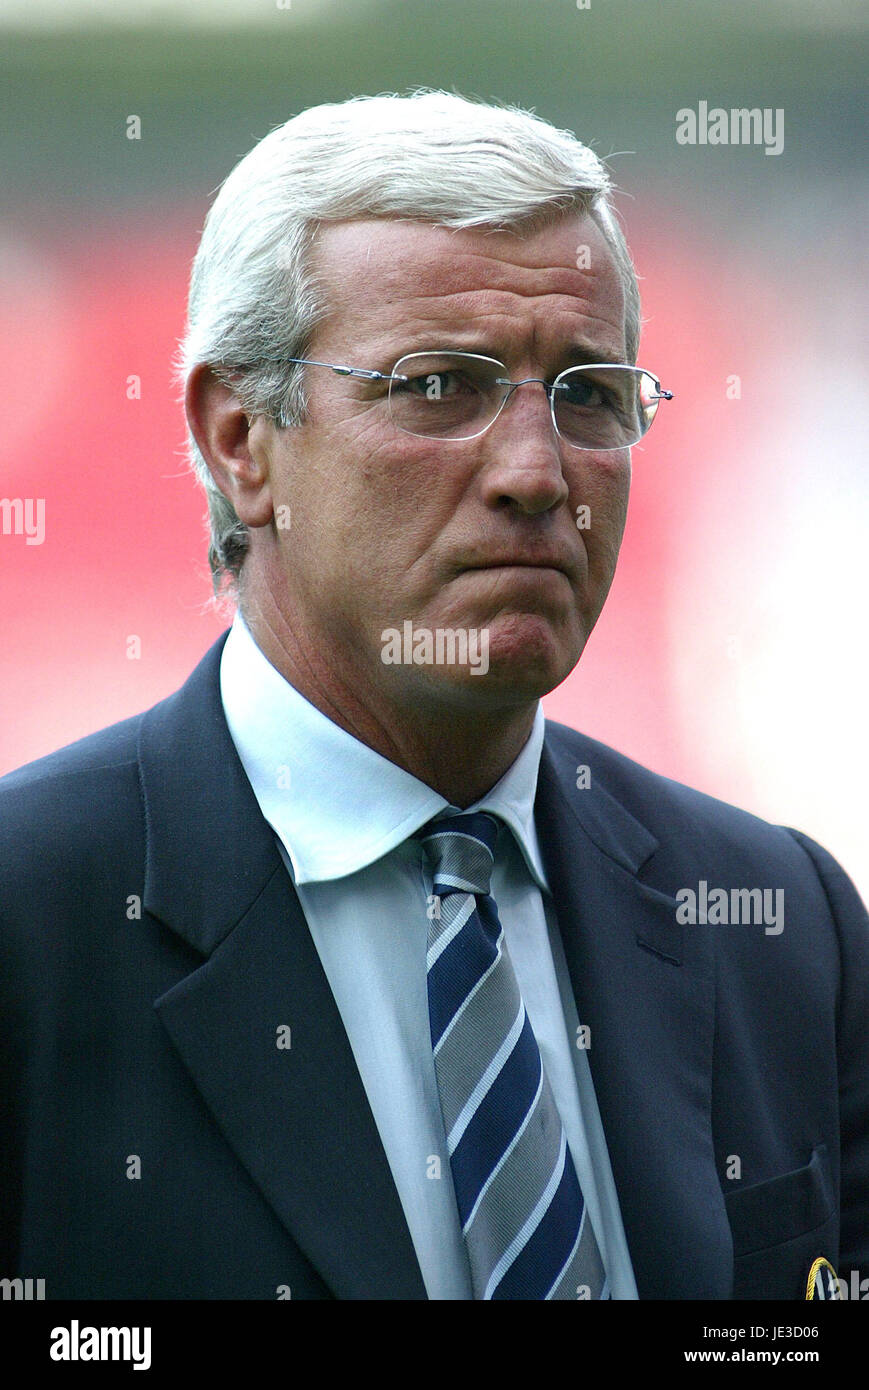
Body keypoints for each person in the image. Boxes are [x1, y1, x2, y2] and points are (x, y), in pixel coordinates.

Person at [1, 91, 866, 1302]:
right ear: (241, 438)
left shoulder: (783, 923)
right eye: (437, 387)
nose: (534, 471)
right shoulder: (32, 920)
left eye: (586, 393)